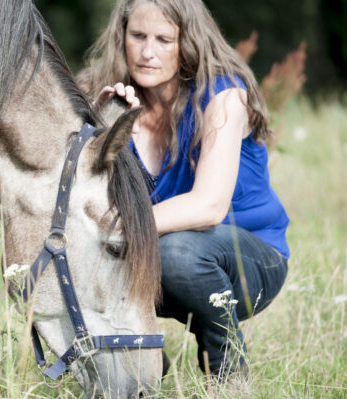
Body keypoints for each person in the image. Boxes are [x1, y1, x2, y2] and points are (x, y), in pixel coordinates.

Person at [78, 0, 289, 381]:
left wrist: (118, 228)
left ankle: (227, 372)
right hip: (155, 253)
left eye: (164, 39)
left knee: (176, 253)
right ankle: (146, 368)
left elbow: (208, 206)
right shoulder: (106, 96)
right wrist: (102, 129)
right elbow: (75, 197)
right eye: (138, 35)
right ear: (122, 35)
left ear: (188, 43)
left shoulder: (225, 97)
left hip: (248, 260)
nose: (147, 52)